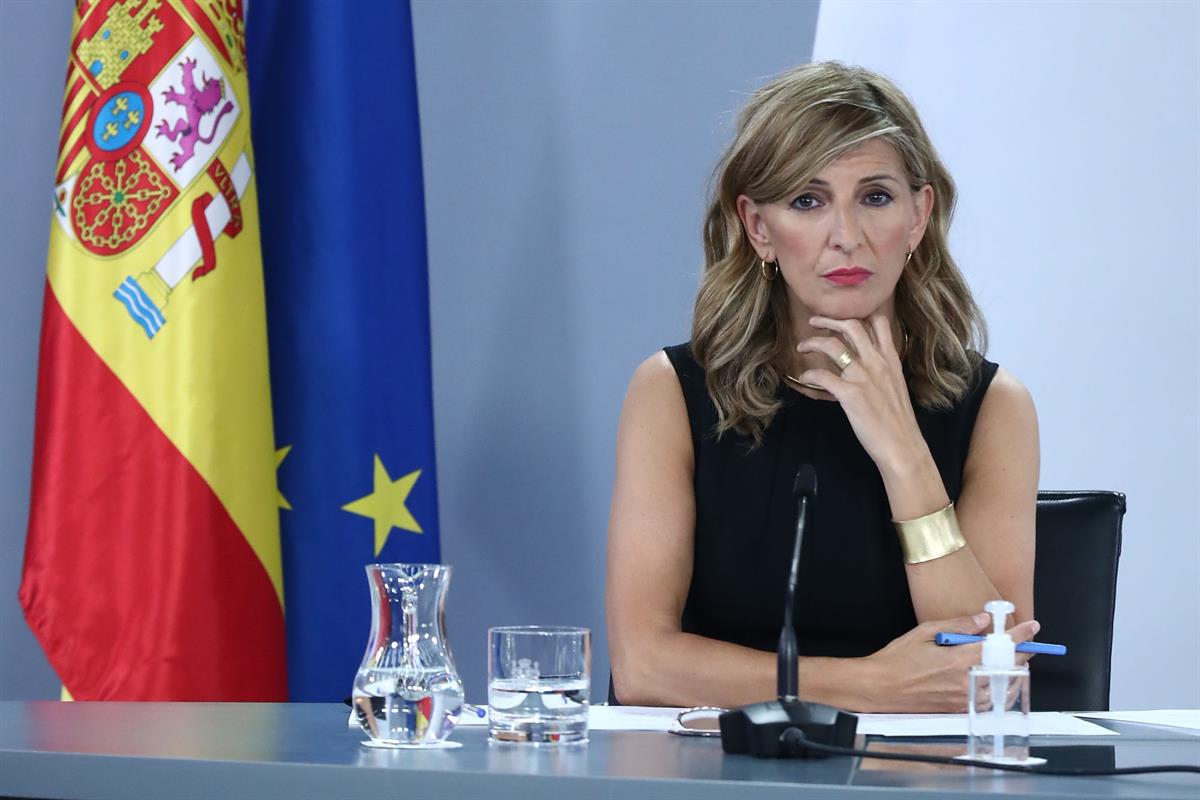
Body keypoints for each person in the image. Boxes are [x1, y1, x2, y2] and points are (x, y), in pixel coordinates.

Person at [605, 62, 1040, 712]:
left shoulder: (994, 408)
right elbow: (643, 665)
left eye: (875, 197)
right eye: (808, 201)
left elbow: (990, 682)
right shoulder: (671, 393)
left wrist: (901, 449)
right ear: (758, 227)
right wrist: (869, 687)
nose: (847, 237)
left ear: (918, 216)